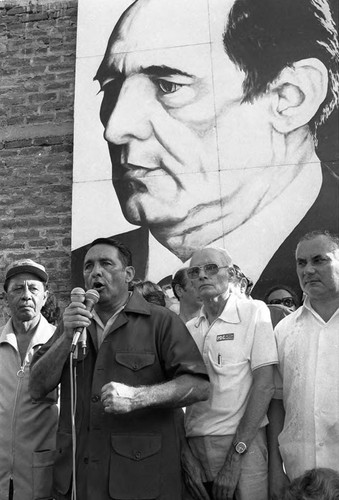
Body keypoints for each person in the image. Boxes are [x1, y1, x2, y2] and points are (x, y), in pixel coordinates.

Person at [72, 0, 339, 296]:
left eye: (168, 86)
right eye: (111, 87)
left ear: (291, 97)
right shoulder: (79, 269)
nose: (114, 128)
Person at [29, 237, 210, 500]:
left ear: (128, 274)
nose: (95, 272)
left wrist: (138, 397)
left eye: (106, 264)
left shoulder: (160, 322)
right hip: (78, 479)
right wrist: (67, 337)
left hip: (138, 479)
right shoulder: (73, 323)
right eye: (88, 266)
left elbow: (199, 385)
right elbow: (36, 387)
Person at [181, 246, 278, 500]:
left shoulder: (254, 312)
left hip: (242, 442)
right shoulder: (188, 328)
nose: (202, 275)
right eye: (195, 271)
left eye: (211, 268)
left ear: (232, 273)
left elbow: (265, 386)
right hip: (195, 443)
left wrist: (237, 455)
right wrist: (185, 454)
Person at [268, 230, 339, 499]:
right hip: (301, 478)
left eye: (320, 260)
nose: (308, 270)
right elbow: (277, 403)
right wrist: (275, 470)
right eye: (301, 263)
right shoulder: (284, 331)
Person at [0, 259, 58, 500]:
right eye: (17, 289)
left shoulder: (60, 345)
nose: (26, 296)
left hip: (42, 471)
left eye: (33, 289)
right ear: (5, 298)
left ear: (45, 297)